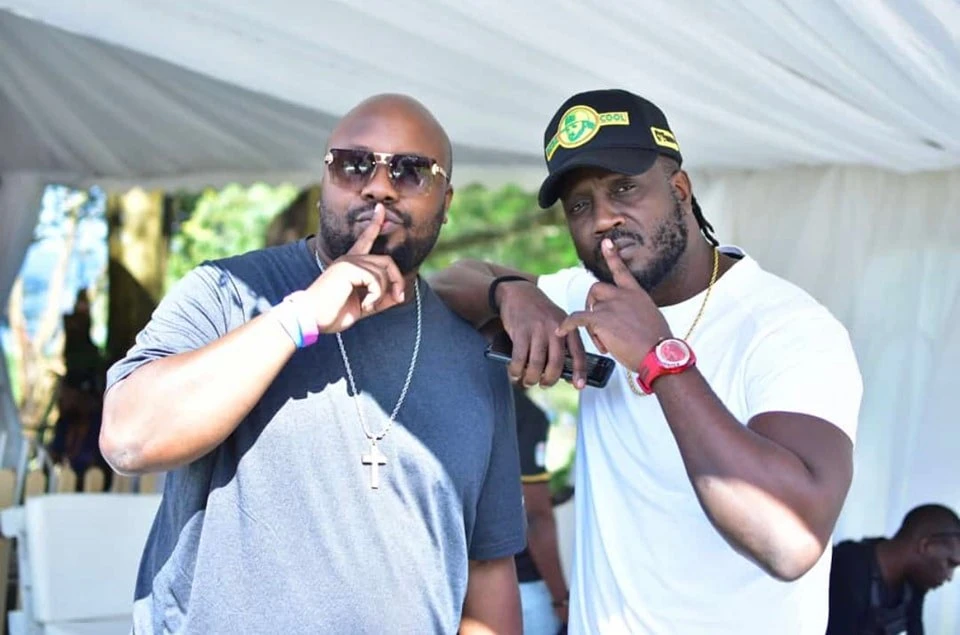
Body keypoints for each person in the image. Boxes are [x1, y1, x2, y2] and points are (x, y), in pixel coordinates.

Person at [430, 89, 863, 633]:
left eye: (624, 188)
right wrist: (512, 292)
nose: (603, 219)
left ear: (679, 190)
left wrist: (662, 360)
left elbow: (790, 542)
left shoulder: (786, 327)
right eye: (580, 205)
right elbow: (448, 282)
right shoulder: (584, 298)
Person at [101, 94, 525, 634]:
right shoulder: (228, 293)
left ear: (446, 201)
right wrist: (298, 318)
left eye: (411, 171)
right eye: (354, 164)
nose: (379, 186)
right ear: (325, 179)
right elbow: (128, 440)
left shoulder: (473, 356)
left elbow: (487, 572)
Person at [827, 504, 960, 634]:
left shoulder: (914, 584)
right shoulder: (846, 567)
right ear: (926, 546)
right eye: (950, 563)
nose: (949, 577)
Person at [513, 385, 569, 634]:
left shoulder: (456, 398)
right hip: (522, 587)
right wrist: (561, 599)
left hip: (456, 584)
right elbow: (535, 518)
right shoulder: (524, 412)